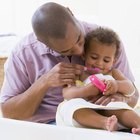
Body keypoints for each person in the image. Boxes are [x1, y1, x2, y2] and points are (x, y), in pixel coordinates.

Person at [0, 2, 139, 124]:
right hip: (49, 126)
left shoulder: (106, 42)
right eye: (66, 50)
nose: (80, 52)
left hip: (104, 122)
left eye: (79, 39)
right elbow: (9, 113)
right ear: (42, 42)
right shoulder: (23, 54)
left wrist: (120, 98)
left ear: (71, 12)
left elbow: (133, 95)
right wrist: (44, 82)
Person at [56, 27, 140, 134]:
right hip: (87, 109)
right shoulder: (79, 73)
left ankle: (138, 124)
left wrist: (117, 85)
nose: (100, 63)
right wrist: (86, 90)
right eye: (94, 57)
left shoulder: (114, 73)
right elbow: (66, 93)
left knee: (119, 106)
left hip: (109, 108)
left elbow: (130, 89)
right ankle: (105, 123)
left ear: (113, 61)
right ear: (84, 55)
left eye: (106, 60)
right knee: (69, 106)